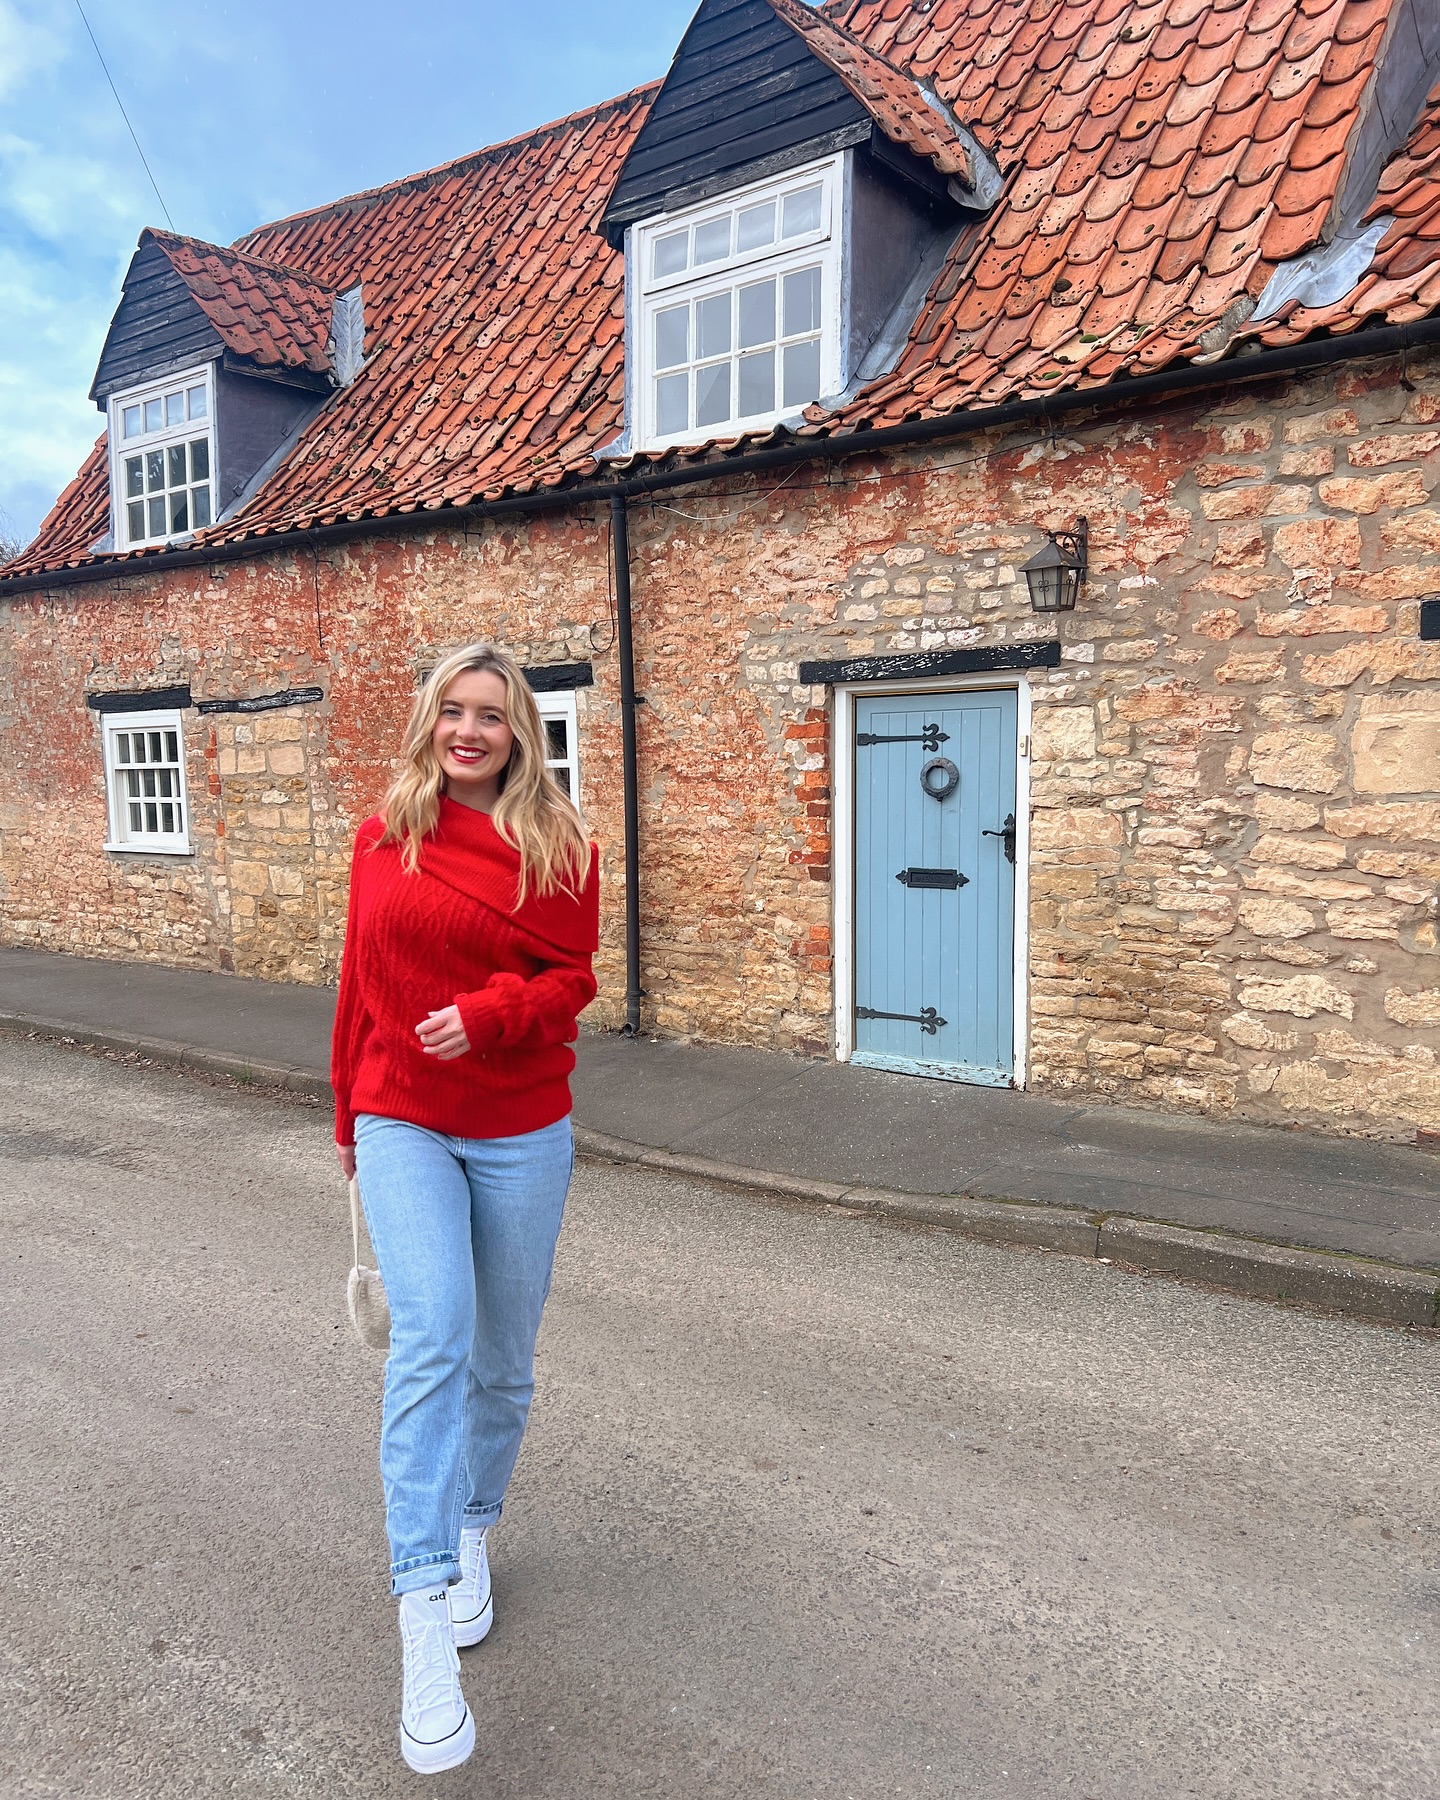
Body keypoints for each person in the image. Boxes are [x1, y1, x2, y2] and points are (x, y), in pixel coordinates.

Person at [331, 642, 598, 1775]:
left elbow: (572, 982)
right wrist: (349, 1121)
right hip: (404, 1115)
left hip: (522, 1122)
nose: (470, 731)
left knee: (502, 1354)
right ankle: (422, 1613)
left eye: (491, 714)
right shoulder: (384, 836)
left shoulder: (559, 843)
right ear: (429, 720)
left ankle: (475, 1523)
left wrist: (488, 1017)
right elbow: (353, 983)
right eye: (453, 710)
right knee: (433, 1337)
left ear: (518, 730)